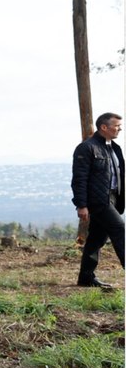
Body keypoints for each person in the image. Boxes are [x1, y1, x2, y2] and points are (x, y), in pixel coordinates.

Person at [71, 112, 124, 289]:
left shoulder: (114, 148)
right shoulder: (86, 148)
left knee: (97, 238)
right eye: (116, 126)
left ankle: (86, 278)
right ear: (104, 127)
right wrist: (81, 204)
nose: (120, 129)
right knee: (120, 228)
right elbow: (79, 178)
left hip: (113, 198)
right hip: (98, 200)